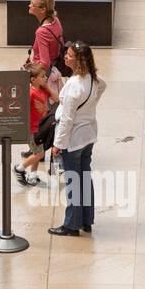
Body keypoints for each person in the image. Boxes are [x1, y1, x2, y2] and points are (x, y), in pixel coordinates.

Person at [48, 41, 106, 237]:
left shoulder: (73, 86)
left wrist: (58, 144)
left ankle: (72, 224)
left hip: (73, 139)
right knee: (84, 177)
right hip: (89, 134)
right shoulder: (94, 79)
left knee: (73, 181)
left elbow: (67, 119)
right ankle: (86, 220)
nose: (65, 57)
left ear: (79, 60)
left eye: (69, 55)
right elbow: (102, 86)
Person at [13, 63, 56, 187]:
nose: (46, 78)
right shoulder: (30, 93)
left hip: (41, 127)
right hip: (31, 129)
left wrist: (47, 86)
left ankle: (32, 175)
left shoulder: (43, 89)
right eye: (42, 76)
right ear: (33, 79)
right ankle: (20, 168)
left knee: (38, 151)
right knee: (40, 153)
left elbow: (57, 98)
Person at [25, 0, 65, 97]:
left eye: (32, 4)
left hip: (43, 76)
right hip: (55, 68)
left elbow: (45, 63)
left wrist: (32, 73)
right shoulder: (55, 20)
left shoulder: (42, 32)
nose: (29, 5)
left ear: (42, 9)